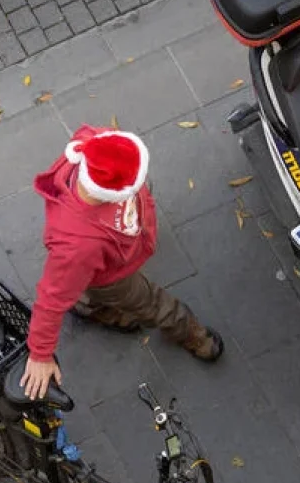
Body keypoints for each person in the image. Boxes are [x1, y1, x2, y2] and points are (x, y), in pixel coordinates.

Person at [20, 125, 224, 399]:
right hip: (113, 275)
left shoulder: (94, 147)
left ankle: (94, 308)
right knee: (152, 304)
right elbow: (51, 298)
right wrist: (40, 354)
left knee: (81, 283)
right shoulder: (76, 246)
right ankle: (191, 333)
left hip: (105, 259)